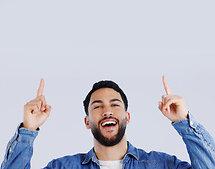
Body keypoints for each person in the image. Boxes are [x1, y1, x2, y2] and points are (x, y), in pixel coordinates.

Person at [1, 76, 215, 168]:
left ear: (127, 117)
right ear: (87, 121)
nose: (107, 111)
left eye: (115, 105)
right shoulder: (63, 167)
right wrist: (28, 130)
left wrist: (184, 122)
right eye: (97, 106)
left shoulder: (162, 165)